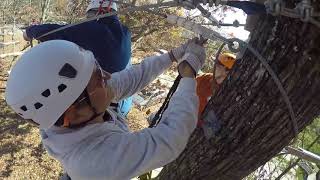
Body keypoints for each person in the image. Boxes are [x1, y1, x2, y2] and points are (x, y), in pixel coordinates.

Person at [5, 39, 206, 179]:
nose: (108, 76)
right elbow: (169, 139)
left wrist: (172, 55)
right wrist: (188, 76)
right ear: (73, 111)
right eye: (98, 77)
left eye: (98, 69)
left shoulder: (73, 114)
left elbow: (129, 79)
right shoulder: (94, 162)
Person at [22, 0, 133, 117]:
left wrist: (28, 32)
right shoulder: (125, 32)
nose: (88, 19)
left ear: (100, 12)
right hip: (123, 103)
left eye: (89, 15)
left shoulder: (94, 30)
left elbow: (53, 31)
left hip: (102, 106)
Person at [196, 52, 236, 121]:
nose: (214, 66)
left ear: (227, 71)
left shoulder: (228, 92)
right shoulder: (205, 78)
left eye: (217, 65)